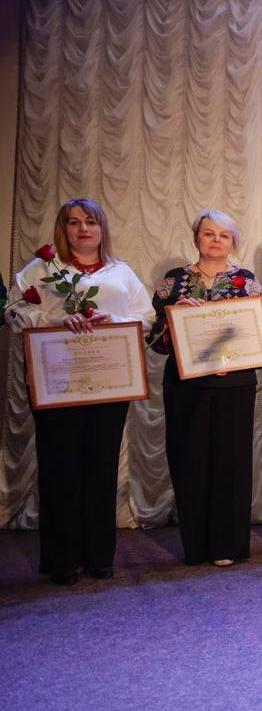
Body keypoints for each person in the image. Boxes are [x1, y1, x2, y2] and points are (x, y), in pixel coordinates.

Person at [5, 199, 154, 585]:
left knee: (101, 467)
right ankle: (61, 559)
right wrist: (57, 318)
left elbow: (147, 317)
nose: (83, 229)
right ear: (63, 229)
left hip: (109, 383)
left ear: (102, 228)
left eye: (90, 221)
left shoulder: (121, 272)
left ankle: (99, 555)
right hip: (57, 384)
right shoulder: (42, 270)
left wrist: (114, 319)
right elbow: (13, 312)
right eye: (73, 222)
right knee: (59, 469)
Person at [150, 210, 262, 567]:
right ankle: (196, 546)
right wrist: (175, 316)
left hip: (235, 384)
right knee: (190, 460)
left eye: (223, 235)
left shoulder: (248, 282)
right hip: (187, 384)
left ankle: (227, 545)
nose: (215, 240)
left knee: (232, 462)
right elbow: (156, 342)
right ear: (196, 237)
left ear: (233, 242)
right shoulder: (173, 282)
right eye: (208, 233)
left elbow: (261, 332)